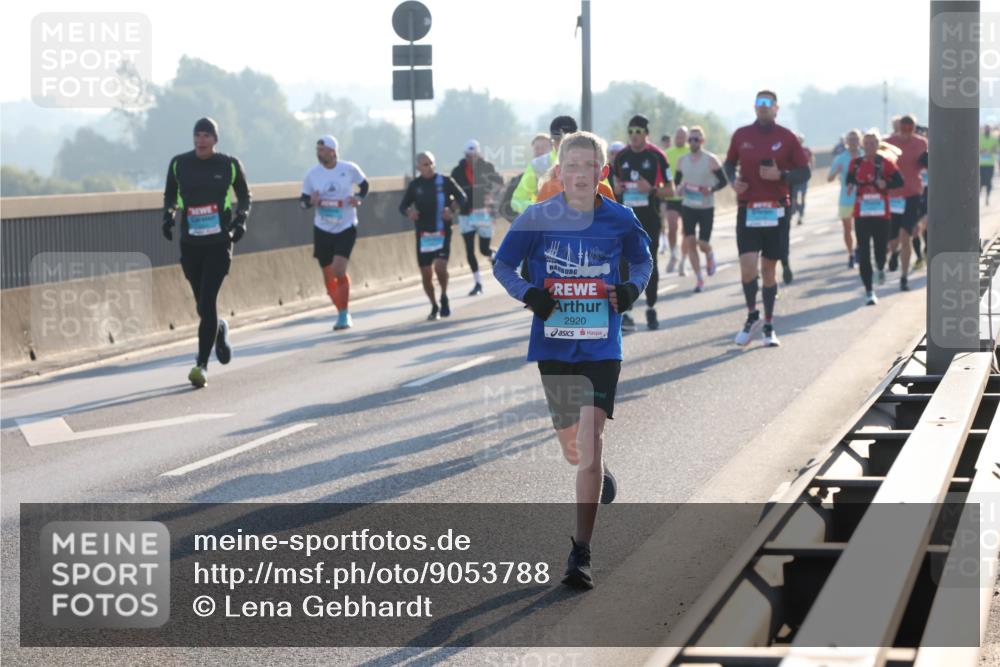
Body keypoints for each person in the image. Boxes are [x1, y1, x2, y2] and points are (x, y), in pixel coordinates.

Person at [492, 131, 652, 590]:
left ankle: (580, 553)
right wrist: (530, 295)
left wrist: (629, 290)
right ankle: (597, 473)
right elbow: (503, 266)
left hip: (602, 345)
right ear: (558, 172)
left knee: (591, 435)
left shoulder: (620, 219)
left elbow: (643, 262)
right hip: (555, 345)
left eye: (589, 166)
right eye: (572, 166)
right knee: (576, 449)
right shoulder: (537, 217)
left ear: (603, 172)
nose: (581, 174)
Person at [162, 117, 251, 388]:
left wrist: (241, 220)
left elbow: (245, 196)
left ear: (215, 139)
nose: (201, 140)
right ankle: (219, 328)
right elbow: (171, 196)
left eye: (206, 135)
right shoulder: (179, 163)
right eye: (197, 135)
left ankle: (201, 365)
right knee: (202, 305)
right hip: (190, 242)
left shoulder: (229, 164)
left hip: (219, 242)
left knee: (209, 299)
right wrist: (168, 216)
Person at [724, 90, 811, 348]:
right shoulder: (741, 135)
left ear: (776, 108)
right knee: (748, 267)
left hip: (776, 211)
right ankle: (752, 316)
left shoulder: (787, 137)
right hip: (748, 209)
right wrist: (733, 181)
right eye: (759, 102)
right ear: (754, 107)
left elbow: (805, 172)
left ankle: (769, 326)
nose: (763, 107)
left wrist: (781, 176)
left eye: (768, 103)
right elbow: (729, 164)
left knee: (769, 271)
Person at [299, 135, 369, 330]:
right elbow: (302, 202)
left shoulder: (348, 169)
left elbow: (365, 185)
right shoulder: (312, 174)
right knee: (329, 277)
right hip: (322, 228)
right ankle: (341, 311)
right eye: (317, 150)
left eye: (322, 150)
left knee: (339, 269)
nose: (318, 153)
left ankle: (344, 314)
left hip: (345, 226)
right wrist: (310, 201)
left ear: (333, 151)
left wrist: (358, 198)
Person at [612, 113, 674, 330]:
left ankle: (651, 307)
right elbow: (612, 187)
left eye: (638, 132)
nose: (634, 136)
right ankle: (627, 312)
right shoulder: (620, 157)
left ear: (646, 134)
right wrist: (616, 189)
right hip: (625, 220)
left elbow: (671, 190)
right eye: (630, 132)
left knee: (649, 263)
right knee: (622, 263)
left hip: (650, 219)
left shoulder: (657, 156)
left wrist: (652, 190)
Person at [399, 151, 468, 320]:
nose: (428, 167)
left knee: (440, 267)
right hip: (423, 235)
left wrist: (451, 209)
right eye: (424, 164)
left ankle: (444, 295)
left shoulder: (444, 181)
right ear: (417, 167)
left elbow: (462, 197)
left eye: (431, 163)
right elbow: (402, 206)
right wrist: (410, 212)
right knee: (426, 274)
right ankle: (434, 304)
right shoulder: (415, 185)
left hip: (442, 231)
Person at [846, 129, 904, 305]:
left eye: (873, 143)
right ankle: (869, 291)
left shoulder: (885, 163)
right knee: (863, 251)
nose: (870, 146)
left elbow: (899, 181)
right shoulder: (855, 164)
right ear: (863, 145)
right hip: (862, 214)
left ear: (878, 145)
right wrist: (849, 185)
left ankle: (880, 266)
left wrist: (885, 183)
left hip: (881, 214)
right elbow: (849, 179)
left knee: (880, 249)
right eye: (867, 143)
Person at [675, 125, 727, 293]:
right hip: (688, 205)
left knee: (702, 244)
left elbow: (723, 182)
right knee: (690, 242)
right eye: (690, 139)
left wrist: (710, 189)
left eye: (696, 139)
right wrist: (679, 188)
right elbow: (677, 182)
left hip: (706, 206)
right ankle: (699, 278)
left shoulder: (711, 159)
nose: (692, 142)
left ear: (702, 141)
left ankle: (709, 254)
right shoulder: (682, 160)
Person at [451, 139, 503, 295]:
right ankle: (478, 283)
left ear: (478, 153)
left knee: (483, 249)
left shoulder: (487, 167)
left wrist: (491, 195)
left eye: (473, 155)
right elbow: (452, 191)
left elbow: (500, 183)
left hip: (483, 212)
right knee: (469, 249)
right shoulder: (457, 171)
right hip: (466, 214)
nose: (471, 158)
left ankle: (494, 256)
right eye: (468, 155)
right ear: (465, 155)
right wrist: (453, 204)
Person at [885, 114, 928, 291]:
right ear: (899, 127)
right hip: (893, 195)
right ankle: (894, 252)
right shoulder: (888, 142)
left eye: (910, 127)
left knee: (906, 235)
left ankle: (903, 277)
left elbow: (925, 164)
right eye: (904, 127)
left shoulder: (921, 143)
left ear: (914, 127)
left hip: (913, 194)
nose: (907, 131)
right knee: (893, 238)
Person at [511, 116, 579, 214]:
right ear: (552, 140)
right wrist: (542, 207)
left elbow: (605, 196)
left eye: (568, 139)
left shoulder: (591, 161)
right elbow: (517, 201)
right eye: (557, 139)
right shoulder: (537, 165)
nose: (562, 143)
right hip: (548, 225)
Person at [827, 129, 861, 268]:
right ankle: (851, 254)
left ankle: (859, 250)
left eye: (855, 139)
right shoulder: (840, 158)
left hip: (863, 199)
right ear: (846, 141)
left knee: (861, 229)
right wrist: (837, 171)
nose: (853, 142)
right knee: (847, 229)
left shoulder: (865, 156)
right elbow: (829, 179)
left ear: (860, 141)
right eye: (850, 139)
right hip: (846, 199)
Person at [664, 126, 690, 274]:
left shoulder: (690, 152)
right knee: (672, 226)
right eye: (677, 136)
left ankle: (683, 260)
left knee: (687, 231)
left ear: (686, 138)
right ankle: (674, 254)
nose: (679, 138)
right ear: (674, 137)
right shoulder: (667, 153)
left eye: (682, 136)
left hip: (688, 197)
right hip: (672, 197)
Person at [791, 133, 814, 226]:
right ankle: (793, 211)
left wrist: (811, 169)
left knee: (802, 196)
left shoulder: (806, 150)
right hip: (794, 177)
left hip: (803, 178)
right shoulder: (790, 150)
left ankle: (801, 214)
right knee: (793, 197)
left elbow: (811, 160)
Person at [981, 124, 997, 206]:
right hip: (981, 164)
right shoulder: (980, 138)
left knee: (988, 182)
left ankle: (987, 198)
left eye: (988, 129)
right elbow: (976, 149)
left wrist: (993, 150)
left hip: (990, 164)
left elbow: (996, 151)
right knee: (980, 182)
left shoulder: (994, 140)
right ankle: (978, 198)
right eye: (986, 129)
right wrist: (981, 151)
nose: (987, 130)